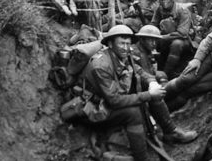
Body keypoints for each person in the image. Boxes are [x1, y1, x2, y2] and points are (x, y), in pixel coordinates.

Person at [84, 25, 198, 161]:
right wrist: (149, 95)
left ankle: (170, 132)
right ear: (110, 43)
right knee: (134, 113)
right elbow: (114, 101)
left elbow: (139, 71)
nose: (125, 47)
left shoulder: (124, 55)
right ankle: (141, 157)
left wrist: (152, 82)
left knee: (154, 94)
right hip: (96, 108)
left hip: (112, 99)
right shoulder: (101, 65)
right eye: (121, 43)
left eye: (127, 43)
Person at [150, 0, 198, 78]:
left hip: (185, 39)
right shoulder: (159, 9)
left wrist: (164, 37)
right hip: (166, 37)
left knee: (176, 44)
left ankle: (167, 74)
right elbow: (153, 24)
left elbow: (183, 33)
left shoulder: (182, 11)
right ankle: (155, 70)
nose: (163, 2)